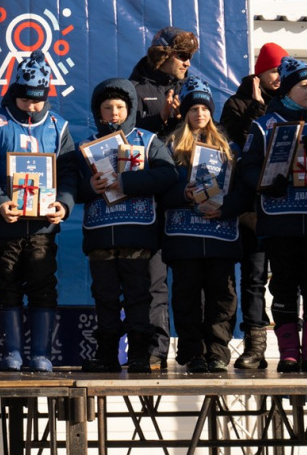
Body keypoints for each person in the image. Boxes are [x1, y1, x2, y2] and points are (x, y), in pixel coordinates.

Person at [0, 48, 77, 372]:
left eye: (38, 99)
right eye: (26, 99)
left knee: (43, 285)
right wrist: (0, 202)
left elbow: (71, 172)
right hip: (7, 224)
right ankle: (12, 352)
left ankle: (41, 353)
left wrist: (65, 203)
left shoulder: (58, 126)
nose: (32, 106)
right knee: (7, 284)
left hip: (43, 226)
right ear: (14, 92)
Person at [239, 57, 307, 373]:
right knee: (282, 285)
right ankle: (288, 353)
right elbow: (247, 167)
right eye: (304, 85)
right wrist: (266, 182)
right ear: (288, 90)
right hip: (279, 220)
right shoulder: (264, 124)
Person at [76, 78, 177, 373]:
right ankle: (107, 354)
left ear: (130, 109)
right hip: (101, 235)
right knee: (104, 297)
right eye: (107, 108)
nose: (114, 113)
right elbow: (68, 187)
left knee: (138, 295)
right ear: (99, 112)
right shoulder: (85, 147)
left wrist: (128, 181)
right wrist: (89, 187)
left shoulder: (148, 140)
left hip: (137, 233)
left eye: (120, 107)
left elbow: (168, 175)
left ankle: (139, 354)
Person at [161, 78, 249, 373]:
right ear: (185, 112)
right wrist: (181, 194)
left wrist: (226, 209)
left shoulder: (229, 147)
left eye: (205, 108)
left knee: (222, 297)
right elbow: (159, 188)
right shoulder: (169, 146)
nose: (200, 113)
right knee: (187, 297)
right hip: (184, 236)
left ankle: (217, 351)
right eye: (194, 108)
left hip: (220, 235)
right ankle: (192, 352)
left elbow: (243, 190)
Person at [129, 26, 199, 370]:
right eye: (182, 56)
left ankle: (193, 351)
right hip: (152, 201)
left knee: (190, 280)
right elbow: (124, 136)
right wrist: (160, 119)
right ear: (163, 55)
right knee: (152, 279)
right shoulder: (135, 88)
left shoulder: (189, 89)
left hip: (188, 199)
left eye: (190, 58)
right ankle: (154, 352)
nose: (187, 63)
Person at [220, 41, 289, 370]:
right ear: (259, 72)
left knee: (289, 277)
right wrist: (256, 108)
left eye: (281, 70)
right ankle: (254, 347)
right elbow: (245, 146)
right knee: (253, 277)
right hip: (251, 207)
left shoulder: (287, 103)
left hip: (285, 206)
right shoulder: (236, 104)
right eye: (274, 70)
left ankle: (293, 347)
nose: (278, 76)